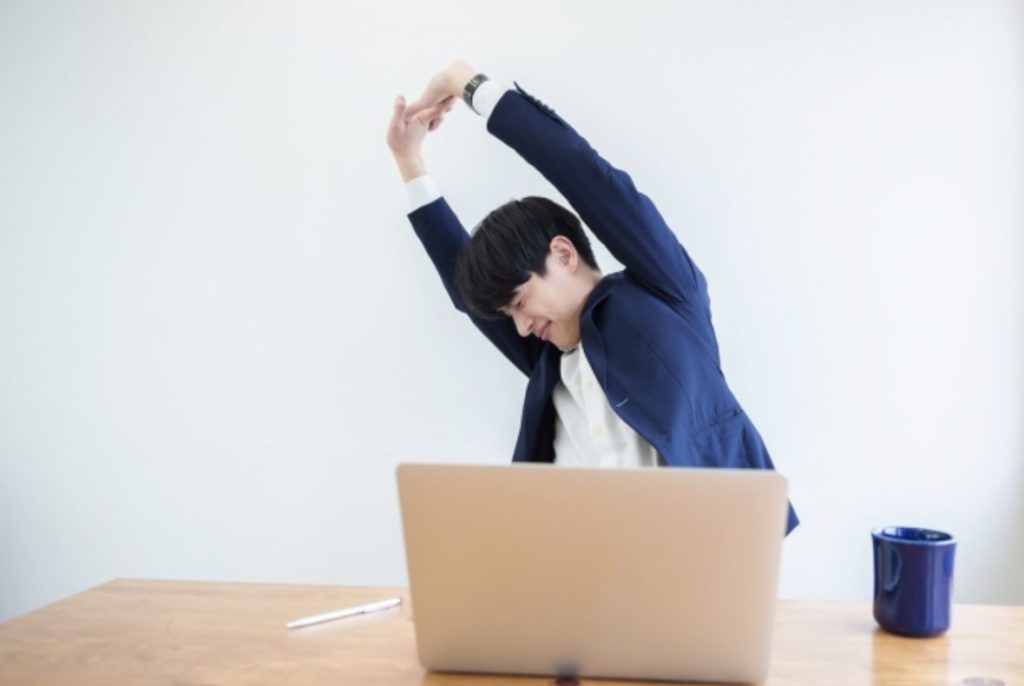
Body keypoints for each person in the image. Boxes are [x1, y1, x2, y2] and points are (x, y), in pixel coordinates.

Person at [385, 60, 798, 534]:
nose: (520, 327)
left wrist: (462, 82)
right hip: (574, 564)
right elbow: (463, 286)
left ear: (563, 254)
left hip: (702, 554)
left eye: (519, 302)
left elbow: (582, 173)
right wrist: (408, 160)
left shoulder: (665, 293)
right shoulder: (545, 357)